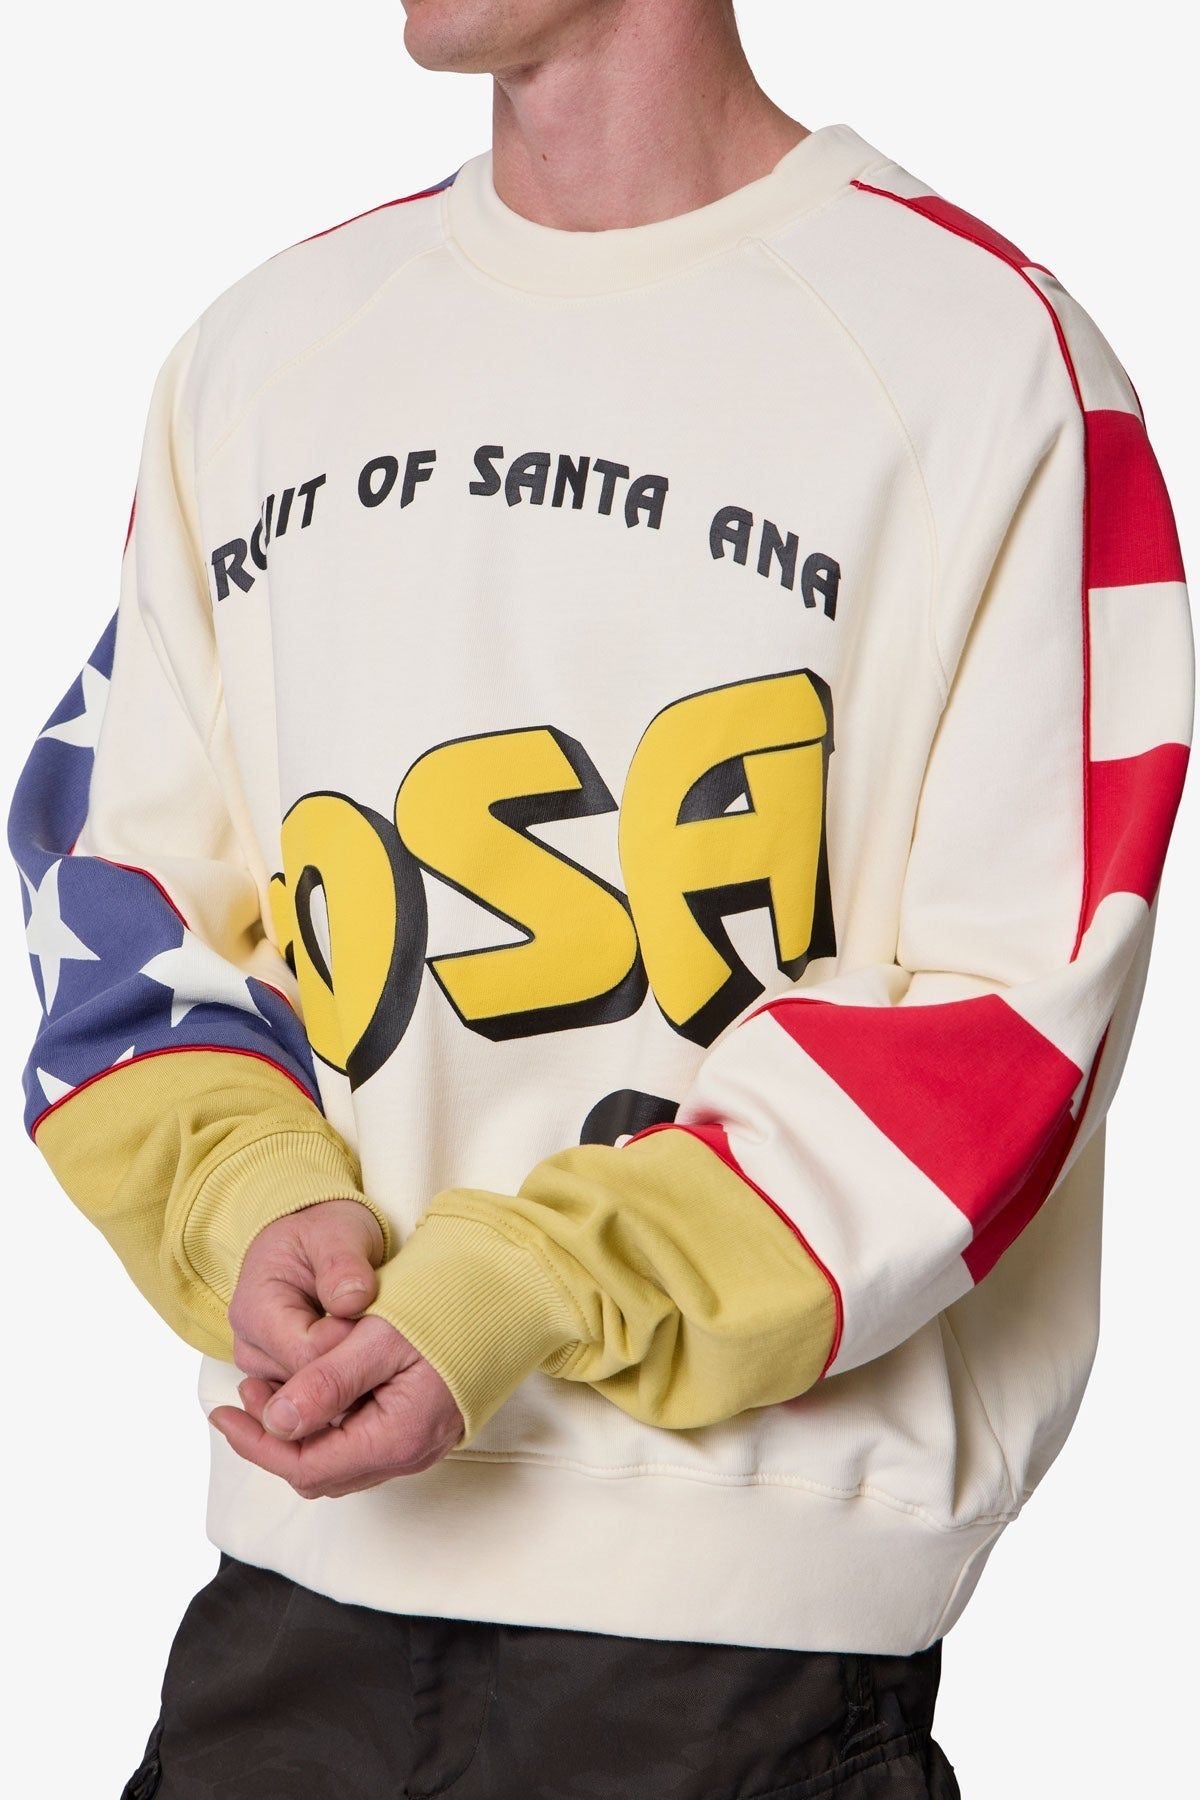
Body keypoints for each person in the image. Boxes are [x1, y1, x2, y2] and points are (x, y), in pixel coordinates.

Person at [9, 0, 1193, 1794]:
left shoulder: (985, 359)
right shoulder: (265, 353)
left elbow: (1007, 1014)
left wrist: (524, 1288)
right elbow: (126, 888)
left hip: (741, 1652)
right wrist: (251, 1195)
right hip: (290, 1619)